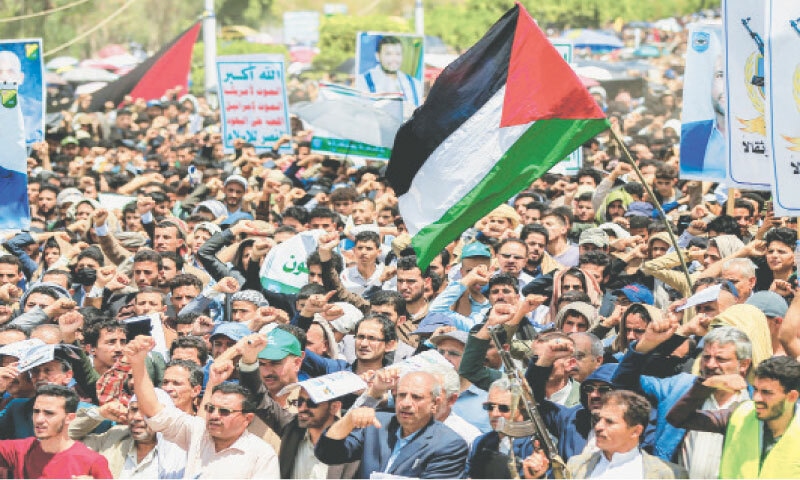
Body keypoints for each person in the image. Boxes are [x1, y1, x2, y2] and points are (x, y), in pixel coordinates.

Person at [127, 334, 280, 478]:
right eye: (210, 408)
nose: (214, 415)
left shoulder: (261, 454)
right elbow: (154, 411)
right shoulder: (198, 433)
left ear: (247, 418)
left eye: (225, 412)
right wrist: (138, 362)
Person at [314, 370, 469, 478]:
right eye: (401, 395)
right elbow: (327, 454)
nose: (406, 403)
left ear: (435, 404)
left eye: (416, 397)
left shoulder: (449, 444)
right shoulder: (377, 424)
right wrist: (348, 421)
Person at [666, 356, 800, 478]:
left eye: (766, 392)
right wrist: (709, 384)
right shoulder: (739, 415)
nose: (756, 397)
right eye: (756, 389)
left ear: (792, 396)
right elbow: (677, 418)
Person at [565, 390, 687, 478]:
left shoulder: (668, 474)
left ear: (635, 431)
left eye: (609, 422)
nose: (598, 427)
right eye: (599, 419)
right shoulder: (577, 466)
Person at [0, 384, 112, 479]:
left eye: (49, 413)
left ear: (70, 418)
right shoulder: (20, 450)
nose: (39, 419)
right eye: (36, 411)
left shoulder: (92, 462)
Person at [68, 389, 186, 478]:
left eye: (146, 411)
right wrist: (99, 413)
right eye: (133, 410)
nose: (137, 417)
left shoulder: (179, 453)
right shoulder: (115, 437)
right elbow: (64, 439)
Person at [356, 35, 422, 108]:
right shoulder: (363, 81)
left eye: (398, 54)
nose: (394, 59)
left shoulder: (415, 84)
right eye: (388, 54)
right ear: (378, 56)